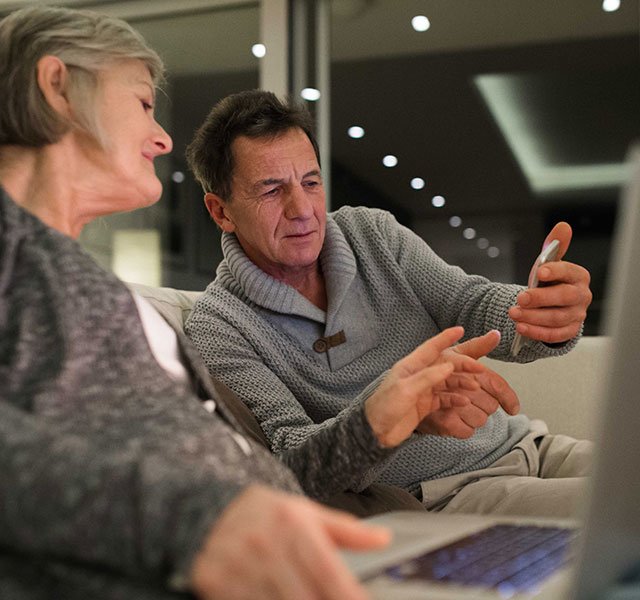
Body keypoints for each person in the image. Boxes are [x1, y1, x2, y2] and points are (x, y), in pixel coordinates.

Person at [0, 6, 492, 599]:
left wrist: (377, 421)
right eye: (141, 103)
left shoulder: (82, 278)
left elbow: (277, 482)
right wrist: (188, 520)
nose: (160, 137)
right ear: (57, 87)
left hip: (316, 545)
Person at [185, 89, 594, 518]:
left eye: (310, 182)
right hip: (451, 493)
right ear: (221, 212)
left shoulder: (372, 233)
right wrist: (393, 413)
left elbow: (470, 302)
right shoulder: (219, 326)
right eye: (271, 191)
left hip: (532, 444)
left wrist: (535, 316)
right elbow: (292, 468)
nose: (302, 209)